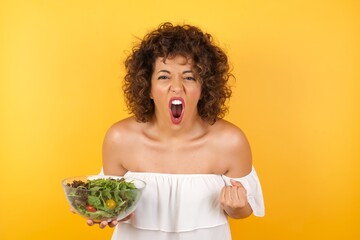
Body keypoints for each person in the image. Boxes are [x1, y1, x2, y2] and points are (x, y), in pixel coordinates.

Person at [89, 22, 265, 240]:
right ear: (148, 87)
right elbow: (108, 203)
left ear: (204, 88)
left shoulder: (230, 141)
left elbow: (244, 211)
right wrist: (102, 211)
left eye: (189, 77)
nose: (177, 86)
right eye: (164, 76)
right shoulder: (120, 139)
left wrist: (236, 207)